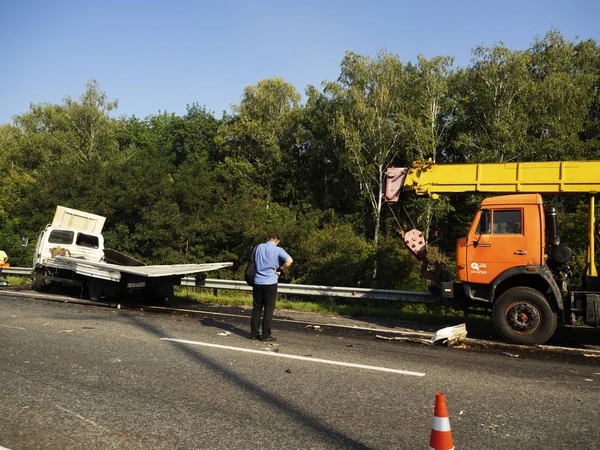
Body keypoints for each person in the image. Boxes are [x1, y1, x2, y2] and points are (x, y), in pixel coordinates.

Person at [250, 233, 293, 341]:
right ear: (277, 241)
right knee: (268, 310)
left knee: (257, 308)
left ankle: (254, 334)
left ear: (267, 239)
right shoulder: (278, 249)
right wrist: (280, 269)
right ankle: (266, 335)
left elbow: (252, 258)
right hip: (270, 282)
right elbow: (289, 261)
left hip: (258, 282)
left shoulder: (258, 247)